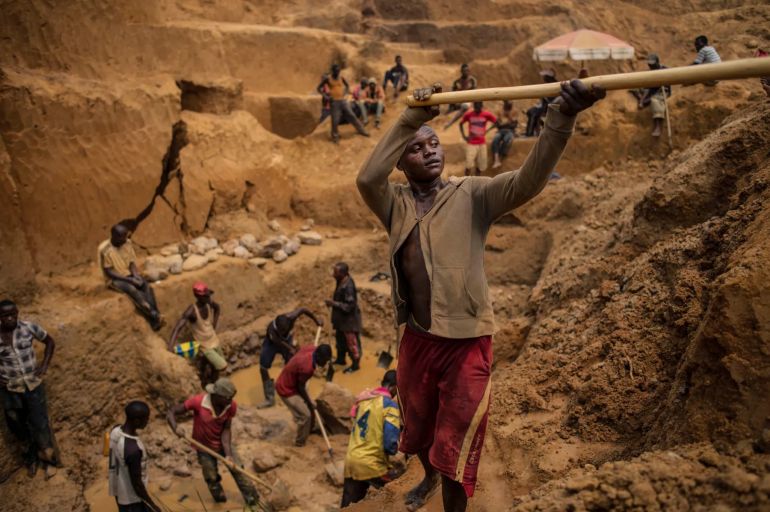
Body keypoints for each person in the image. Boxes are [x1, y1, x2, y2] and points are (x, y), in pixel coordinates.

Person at [356, 79, 605, 511]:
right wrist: (413, 117)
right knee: (417, 428)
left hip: (467, 343)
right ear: (401, 163)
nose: (430, 150)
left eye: (434, 143)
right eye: (417, 148)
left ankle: (452, 502)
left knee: (454, 445)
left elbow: (528, 181)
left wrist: (560, 118)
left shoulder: (471, 194)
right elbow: (366, 176)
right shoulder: (393, 203)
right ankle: (428, 479)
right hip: (417, 337)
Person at [167, 378, 260, 507]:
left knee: (238, 470)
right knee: (211, 478)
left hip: (223, 444)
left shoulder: (231, 406)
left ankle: (254, 502)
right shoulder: (198, 402)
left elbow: (226, 429)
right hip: (203, 448)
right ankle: (220, 502)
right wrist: (175, 428)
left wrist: (228, 454)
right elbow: (171, 411)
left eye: (231, 397)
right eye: (228, 398)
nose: (231, 400)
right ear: (217, 396)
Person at [0, 299, 60, 479]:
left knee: (40, 423)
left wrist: (44, 366)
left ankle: (49, 461)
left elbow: (50, 342)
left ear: (17, 313)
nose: (10, 318)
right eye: (5, 316)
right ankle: (31, 459)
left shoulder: (28, 328)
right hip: (9, 389)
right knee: (17, 425)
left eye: (13, 314)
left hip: (33, 386)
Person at [341, 370, 401, 508]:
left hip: (352, 461)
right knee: (397, 493)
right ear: (393, 387)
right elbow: (389, 443)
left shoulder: (364, 400)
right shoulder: (390, 406)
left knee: (348, 505)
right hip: (372, 464)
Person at [256, 307, 324, 409]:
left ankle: (294, 392)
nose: (284, 331)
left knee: (293, 365)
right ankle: (269, 398)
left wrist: (316, 320)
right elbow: (278, 342)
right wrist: (290, 348)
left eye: (285, 329)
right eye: (282, 331)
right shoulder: (271, 331)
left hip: (287, 340)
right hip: (272, 344)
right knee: (263, 367)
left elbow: (304, 309)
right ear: (277, 328)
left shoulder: (291, 316)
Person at [99, 223, 162, 331]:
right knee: (132, 290)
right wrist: (129, 280)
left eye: (125, 236)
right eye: (123, 237)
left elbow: (131, 262)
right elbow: (109, 271)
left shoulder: (127, 243)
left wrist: (136, 276)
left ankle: (156, 314)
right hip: (115, 279)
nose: (125, 239)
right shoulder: (105, 250)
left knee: (147, 287)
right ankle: (153, 316)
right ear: (115, 237)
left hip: (128, 274)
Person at [167, 282, 226, 388]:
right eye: (206, 296)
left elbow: (217, 308)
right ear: (199, 297)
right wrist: (171, 346)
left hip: (214, 340)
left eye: (208, 295)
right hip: (204, 345)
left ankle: (212, 386)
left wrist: (214, 324)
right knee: (222, 366)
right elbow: (178, 327)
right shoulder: (192, 311)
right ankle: (207, 385)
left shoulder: (209, 303)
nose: (209, 298)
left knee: (214, 368)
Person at [275, 344, 333, 447]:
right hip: (286, 389)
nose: (324, 364)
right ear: (318, 356)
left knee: (310, 407)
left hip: (292, 380)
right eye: (324, 361)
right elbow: (300, 387)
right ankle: (300, 443)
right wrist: (309, 400)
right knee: (305, 415)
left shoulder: (311, 348)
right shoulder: (307, 368)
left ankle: (309, 429)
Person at [108, 401, 160, 512]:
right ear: (136, 421)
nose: (147, 421)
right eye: (146, 418)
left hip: (119, 492)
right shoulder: (133, 450)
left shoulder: (115, 430)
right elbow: (137, 485)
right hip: (132, 501)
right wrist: (152, 505)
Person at [317, 64, 370, 143]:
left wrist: (345, 93)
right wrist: (326, 97)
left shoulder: (341, 78)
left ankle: (361, 130)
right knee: (335, 120)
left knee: (351, 115)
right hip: (334, 102)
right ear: (332, 71)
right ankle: (335, 136)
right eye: (336, 71)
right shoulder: (328, 79)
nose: (337, 72)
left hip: (343, 101)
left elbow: (347, 86)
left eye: (338, 71)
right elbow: (318, 88)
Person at [325, 262, 362, 373]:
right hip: (341, 321)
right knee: (340, 341)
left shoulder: (348, 286)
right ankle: (341, 360)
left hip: (349, 322)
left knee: (352, 344)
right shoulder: (341, 281)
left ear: (342, 273)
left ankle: (355, 365)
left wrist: (333, 304)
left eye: (335, 273)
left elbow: (350, 306)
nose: (333, 274)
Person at [636, 54, 672, 137]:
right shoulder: (650, 73)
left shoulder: (664, 69)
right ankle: (643, 100)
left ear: (657, 62)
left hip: (662, 91)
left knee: (654, 100)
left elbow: (668, 85)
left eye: (653, 64)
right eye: (650, 65)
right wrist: (641, 101)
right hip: (652, 92)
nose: (651, 66)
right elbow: (647, 89)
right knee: (641, 94)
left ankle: (658, 127)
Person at [459, 101, 498, 176]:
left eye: (478, 107)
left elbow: (497, 122)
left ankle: (476, 181)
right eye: (475, 107)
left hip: (481, 143)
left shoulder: (486, 114)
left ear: (481, 106)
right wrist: (464, 136)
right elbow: (460, 124)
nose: (477, 109)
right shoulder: (469, 114)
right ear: (474, 106)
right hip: (471, 143)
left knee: (480, 166)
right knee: (468, 165)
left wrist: (487, 130)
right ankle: (465, 181)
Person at [525, 69, 559, 137]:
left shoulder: (554, 85)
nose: (543, 78)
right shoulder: (549, 84)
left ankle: (529, 133)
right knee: (530, 111)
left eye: (545, 76)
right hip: (545, 106)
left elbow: (551, 100)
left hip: (549, 107)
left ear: (548, 77)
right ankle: (532, 132)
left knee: (532, 113)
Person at [443, 64, 478, 130]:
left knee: (465, 106)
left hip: (468, 102)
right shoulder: (457, 82)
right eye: (464, 70)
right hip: (458, 102)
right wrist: (451, 107)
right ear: (461, 71)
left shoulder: (472, 80)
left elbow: (475, 93)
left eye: (467, 70)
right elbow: (452, 94)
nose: (466, 72)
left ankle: (450, 123)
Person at [491, 101, 517, 169]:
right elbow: (498, 125)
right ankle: (496, 159)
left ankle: (500, 157)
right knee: (495, 139)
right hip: (500, 131)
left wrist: (509, 118)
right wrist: (506, 124)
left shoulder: (514, 113)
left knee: (507, 140)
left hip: (509, 131)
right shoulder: (500, 113)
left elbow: (514, 126)